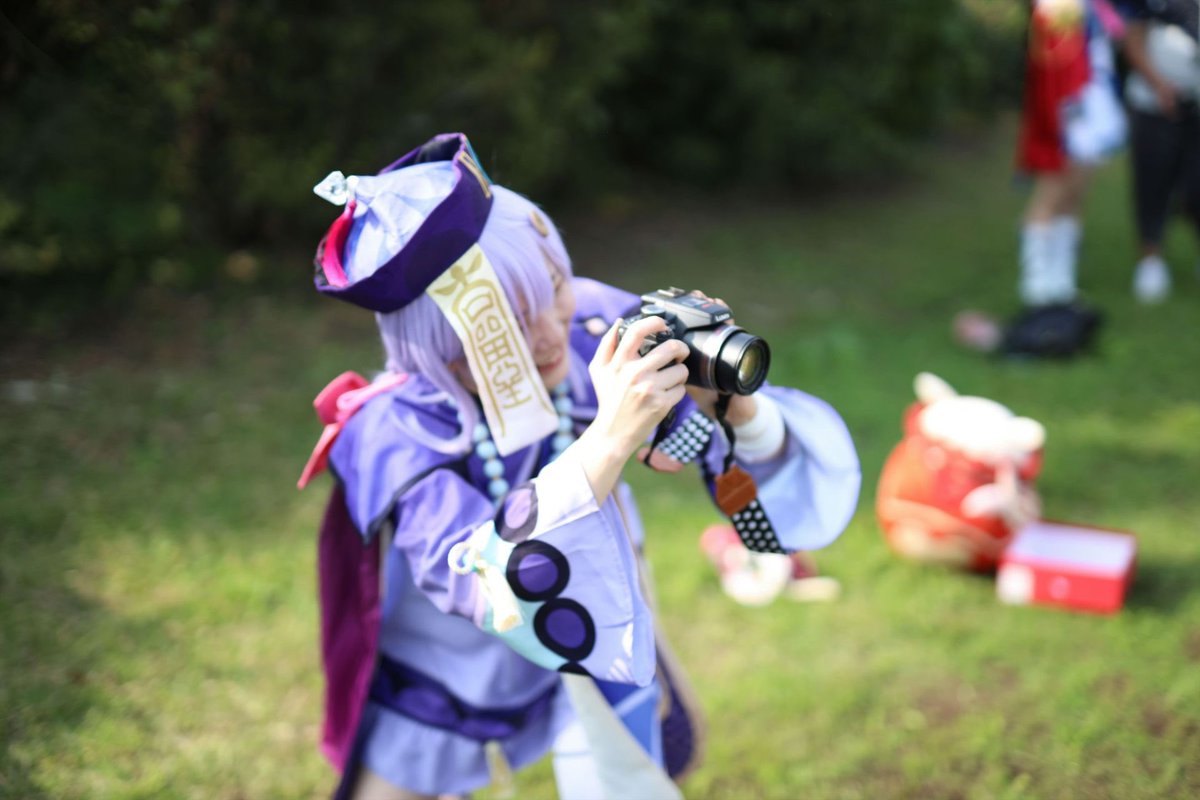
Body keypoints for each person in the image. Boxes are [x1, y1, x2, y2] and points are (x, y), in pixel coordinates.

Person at [297, 133, 861, 800]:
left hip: (594, 613)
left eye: (555, 288)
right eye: (511, 323)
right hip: (452, 659)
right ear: (438, 348)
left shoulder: (588, 325)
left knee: (645, 766)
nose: (549, 334)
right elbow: (479, 577)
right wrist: (611, 437)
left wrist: (732, 409)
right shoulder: (394, 432)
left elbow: (699, 445)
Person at [1014, 0, 1127, 309]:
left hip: (1089, 108)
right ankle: (1036, 287)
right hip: (1070, 115)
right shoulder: (1057, 6)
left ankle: (1061, 284)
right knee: (1051, 195)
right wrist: (1066, 120)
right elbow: (1054, 65)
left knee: (1075, 195)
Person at [1120, 0, 1200, 303]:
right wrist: (1160, 86)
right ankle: (1151, 260)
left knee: (1196, 186)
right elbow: (1133, 40)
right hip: (1153, 106)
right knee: (1152, 183)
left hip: (1196, 107)